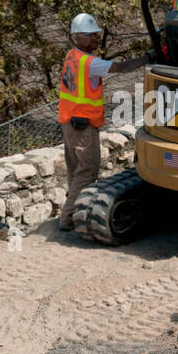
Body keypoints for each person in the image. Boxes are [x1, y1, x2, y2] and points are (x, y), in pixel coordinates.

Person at [57, 13, 140, 232]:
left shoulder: (72, 55)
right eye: (91, 36)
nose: (96, 40)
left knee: (75, 170)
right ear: (78, 37)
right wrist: (149, 57)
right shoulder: (90, 63)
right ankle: (67, 218)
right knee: (87, 171)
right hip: (82, 125)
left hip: (69, 121)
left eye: (96, 36)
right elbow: (122, 69)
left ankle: (73, 212)